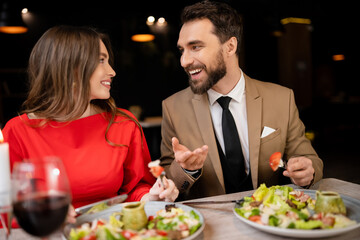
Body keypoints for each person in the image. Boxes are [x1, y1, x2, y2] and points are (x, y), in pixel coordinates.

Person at [2, 25, 179, 225]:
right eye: (101, 60)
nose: (112, 71)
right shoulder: (17, 132)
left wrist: (152, 197)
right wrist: (41, 216)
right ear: (70, 67)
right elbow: (6, 213)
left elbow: (136, 188)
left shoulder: (123, 124)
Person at [160, 0, 323, 200]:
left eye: (195, 47)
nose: (184, 60)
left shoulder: (282, 98)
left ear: (230, 46)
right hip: (212, 225)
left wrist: (308, 171)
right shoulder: (172, 108)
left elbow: (310, 159)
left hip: (268, 219)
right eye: (182, 50)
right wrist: (185, 170)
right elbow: (165, 182)